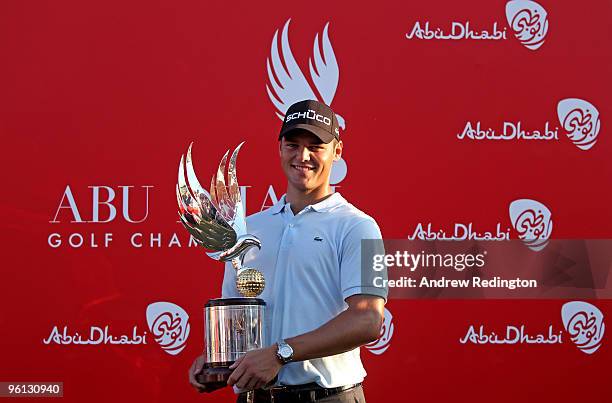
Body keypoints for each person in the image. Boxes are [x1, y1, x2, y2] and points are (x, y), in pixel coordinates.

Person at [189, 99, 387, 402]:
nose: (303, 156)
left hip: (327, 397)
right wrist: (220, 361)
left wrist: (280, 354)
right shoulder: (248, 229)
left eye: (316, 146)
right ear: (280, 148)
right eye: (292, 144)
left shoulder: (360, 227)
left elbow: (368, 320)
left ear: (338, 151)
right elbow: (239, 316)